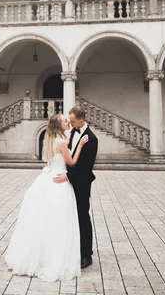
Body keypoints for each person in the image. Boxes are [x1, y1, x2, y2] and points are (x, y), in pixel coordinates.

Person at [5, 113, 89, 282]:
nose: (68, 121)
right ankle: (53, 258)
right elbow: (71, 163)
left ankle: (39, 256)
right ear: (59, 126)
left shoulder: (50, 140)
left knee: (45, 220)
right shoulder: (62, 142)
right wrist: (79, 145)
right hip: (59, 181)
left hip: (47, 178)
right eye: (65, 120)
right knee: (59, 220)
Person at [53, 105, 98, 269]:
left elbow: (86, 166)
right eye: (68, 121)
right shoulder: (71, 132)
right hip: (67, 183)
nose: (70, 124)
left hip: (81, 183)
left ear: (81, 120)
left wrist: (68, 176)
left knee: (82, 216)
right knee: (70, 217)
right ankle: (72, 248)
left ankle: (87, 255)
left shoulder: (91, 139)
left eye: (72, 121)